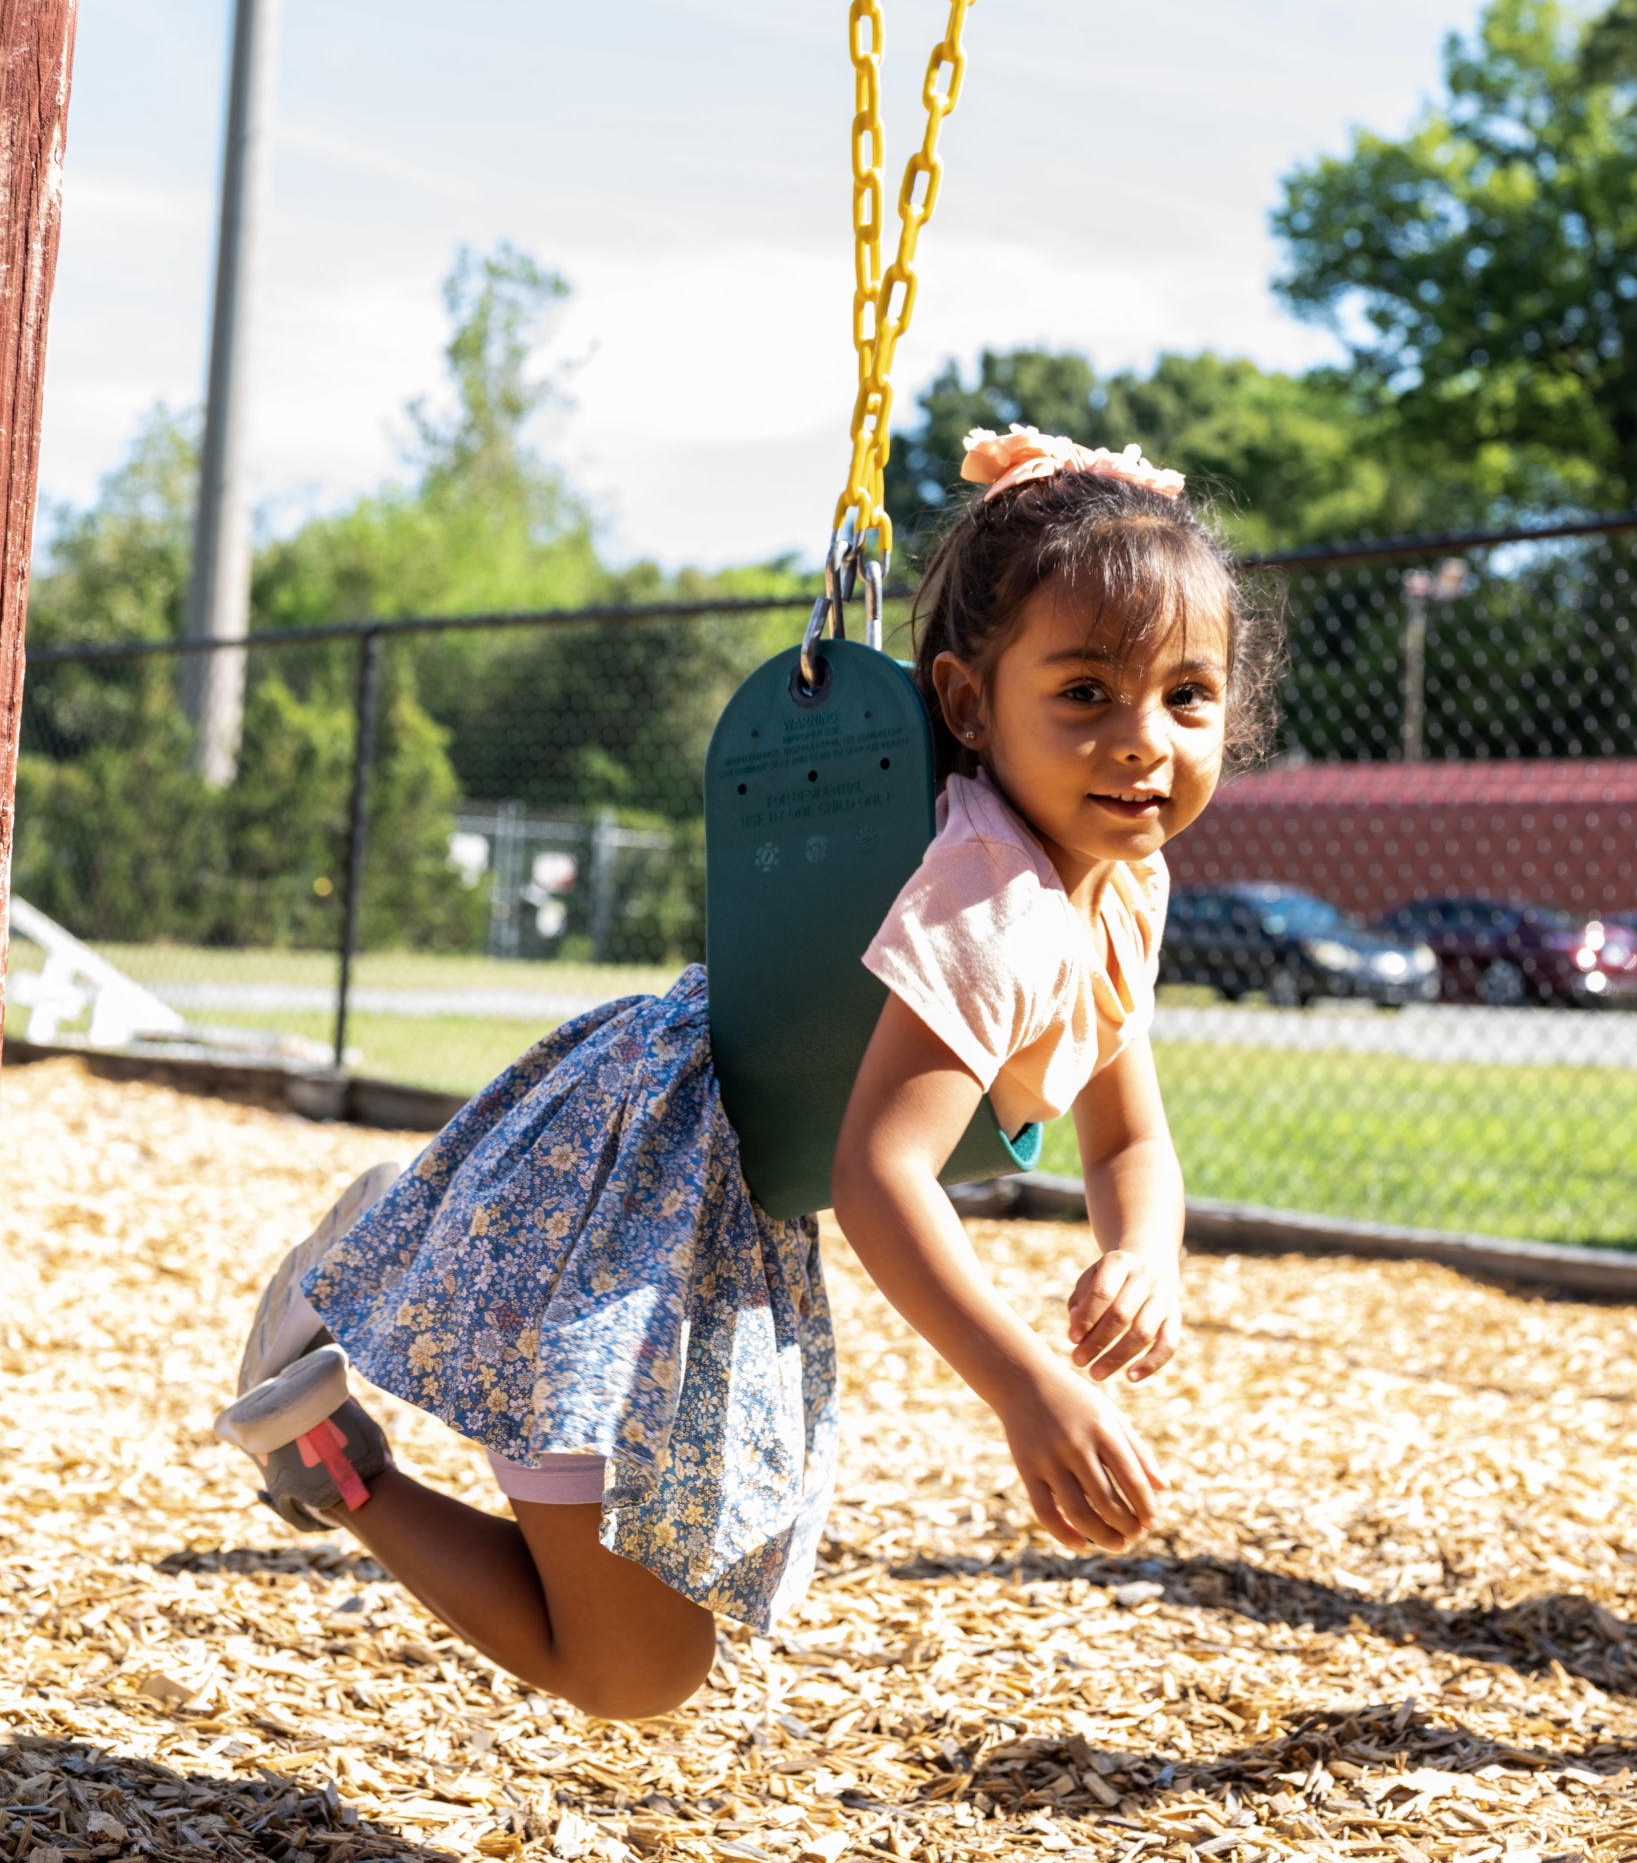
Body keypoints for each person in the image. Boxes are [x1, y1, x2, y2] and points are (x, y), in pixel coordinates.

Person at [215, 425, 1276, 1718]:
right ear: (964, 704)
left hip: (712, 1204)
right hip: (635, 1203)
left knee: (639, 1666)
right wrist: (1024, 1385)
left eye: (1187, 695)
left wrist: (1143, 1253)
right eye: (1086, 693)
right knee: (629, 1667)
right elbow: (879, 1173)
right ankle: (372, 1295)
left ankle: (322, 1425)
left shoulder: (1117, 884)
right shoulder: (993, 907)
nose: (1143, 740)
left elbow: (1128, 1138)